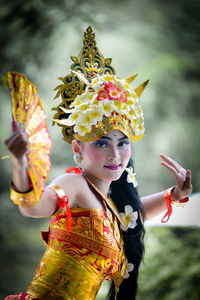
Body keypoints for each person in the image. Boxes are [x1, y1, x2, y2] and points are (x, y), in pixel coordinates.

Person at [4, 27, 192, 300]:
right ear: (77, 148)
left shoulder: (109, 204)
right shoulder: (75, 184)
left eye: (122, 142)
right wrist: (20, 163)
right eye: (101, 143)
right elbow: (33, 206)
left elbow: (133, 216)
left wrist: (174, 196)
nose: (115, 155)